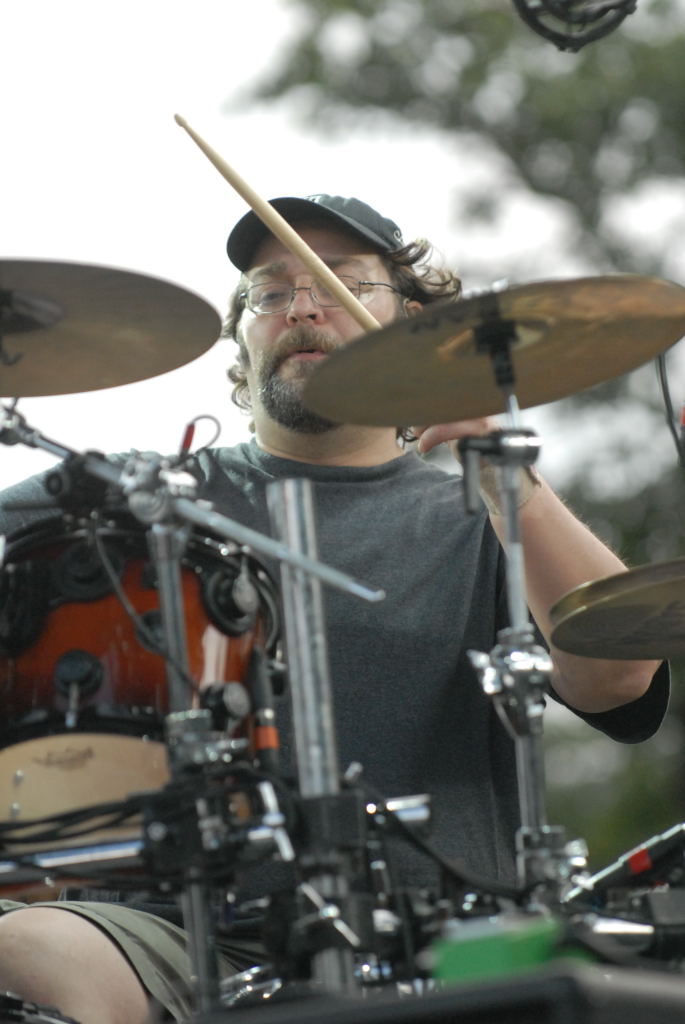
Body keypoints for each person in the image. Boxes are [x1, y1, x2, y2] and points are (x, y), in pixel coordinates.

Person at [0, 194, 668, 1023]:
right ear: (243, 336)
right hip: (164, 933)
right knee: (24, 950)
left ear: (413, 325)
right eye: (270, 292)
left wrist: (505, 477)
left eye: (338, 281)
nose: (302, 307)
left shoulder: (483, 517)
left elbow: (617, 678)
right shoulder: (129, 500)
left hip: (437, 938)